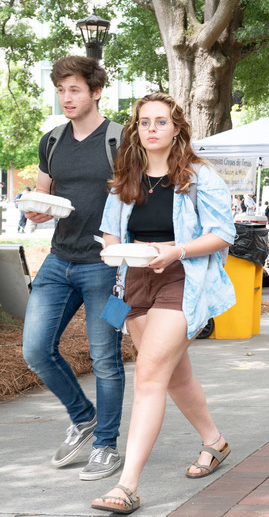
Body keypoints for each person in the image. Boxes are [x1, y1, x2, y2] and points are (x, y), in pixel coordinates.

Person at [91, 92, 236, 514]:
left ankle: (127, 486)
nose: (151, 129)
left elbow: (222, 234)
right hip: (133, 280)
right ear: (135, 129)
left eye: (160, 121)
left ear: (177, 128)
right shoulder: (126, 178)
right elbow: (112, 233)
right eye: (143, 122)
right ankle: (214, 441)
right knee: (174, 376)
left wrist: (176, 251)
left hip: (182, 277)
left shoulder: (198, 177)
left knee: (149, 378)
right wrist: (113, 251)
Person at [20, 56, 126, 481]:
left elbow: (139, 195)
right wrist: (37, 211)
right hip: (59, 261)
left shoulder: (121, 141)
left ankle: (106, 445)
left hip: (104, 266)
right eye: (61, 89)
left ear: (96, 91)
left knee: (105, 359)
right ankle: (83, 418)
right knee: (35, 350)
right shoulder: (51, 141)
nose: (66, 97)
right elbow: (45, 195)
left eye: (75, 89)